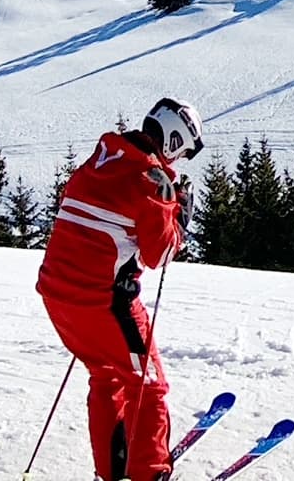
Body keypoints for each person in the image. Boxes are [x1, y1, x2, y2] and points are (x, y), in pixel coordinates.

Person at [37, 99, 202, 481]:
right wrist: (180, 218)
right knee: (149, 384)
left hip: (57, 295)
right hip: (104, 302)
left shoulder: (101, 159)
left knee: (107, 376)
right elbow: (158, 253)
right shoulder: (151, 179)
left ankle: (111, 471)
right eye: (184, 152)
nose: (179, 162)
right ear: (175, 140)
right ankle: (149, 472)